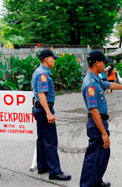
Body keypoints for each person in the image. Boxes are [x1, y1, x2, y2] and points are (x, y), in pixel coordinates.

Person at [80, 50, 122, 187]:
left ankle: (96, 181)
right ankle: (87, 184)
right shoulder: (90, 84)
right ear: (96, 63)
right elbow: (93, 110)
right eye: (103, 62)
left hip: (100, 122)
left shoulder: (96, 78)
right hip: (96, 124)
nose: (105, 65)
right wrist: (104, 133)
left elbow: (110, 85)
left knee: (102, 154)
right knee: (94, 157)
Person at [31, 49, 71, 181]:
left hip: (39, 109)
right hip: (44, 110)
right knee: (51, 141)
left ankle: (43, 166)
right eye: (53, 58)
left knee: (42, 139)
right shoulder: (43, 74)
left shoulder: (39, 72)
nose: (54, 61)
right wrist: (48, 113)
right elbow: (42, 95)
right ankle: (55, 171)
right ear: (47, 59)